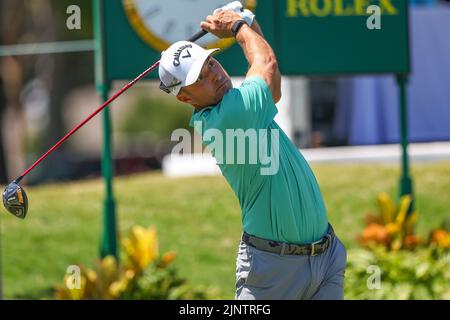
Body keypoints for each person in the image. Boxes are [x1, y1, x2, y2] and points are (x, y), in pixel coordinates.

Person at [158, 6, 347, 300]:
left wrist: (248, 21)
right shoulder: (228, 118)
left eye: (210, 64)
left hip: (325, 256)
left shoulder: (241, 105)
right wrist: (237, 27)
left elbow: (271, 86)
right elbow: (267, 64)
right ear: (184, 96)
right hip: (273, 271)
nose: (215, 74)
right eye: (201, 77)